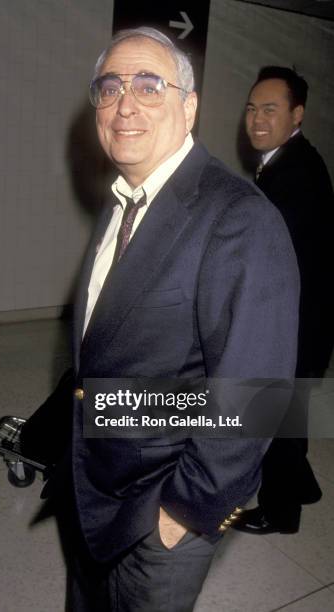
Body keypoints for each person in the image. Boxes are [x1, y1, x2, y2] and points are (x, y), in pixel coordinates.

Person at [25, 31, 300, 611]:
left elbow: (259, 396)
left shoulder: (242, 220)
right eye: (111, 87)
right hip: (96, 481)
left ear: (190, 106)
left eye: (150, 85)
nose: (126, 104)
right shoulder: (127, 194)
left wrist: (181, 512)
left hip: (160, 508)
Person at [234, 66, 334, 536]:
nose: (256, 118)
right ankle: (305, 487)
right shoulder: (289, 160)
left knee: (274, 415)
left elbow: (271, 257)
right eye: (252, 108)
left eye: (269, 109)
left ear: (297, 114)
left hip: (296, 323)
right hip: (309, 317)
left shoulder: (294, 175)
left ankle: (281, 511)